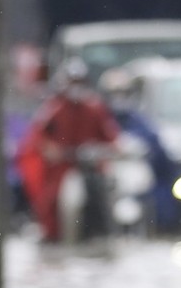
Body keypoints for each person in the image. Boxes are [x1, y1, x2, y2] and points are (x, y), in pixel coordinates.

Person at [15, 59, 122, 242]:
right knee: (51, 199)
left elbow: (111, 137)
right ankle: (51, 233)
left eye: (79, 83)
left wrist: (104, 150)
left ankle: (102, 231)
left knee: (104, 193)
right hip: (62, 167)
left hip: (91, 167)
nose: (76, 88)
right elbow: (39, 139)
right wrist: (52, 150)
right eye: (73, 83)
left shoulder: (94, 109)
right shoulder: (53, 110)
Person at [100, 67, 181, 232]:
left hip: (136, 174)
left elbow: (159, 150)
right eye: (114, 93)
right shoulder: (99, 118)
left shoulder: (138, 120)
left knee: (161, 193)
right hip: (106, 175)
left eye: (123, 93)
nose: (119, 98)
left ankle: (162, 228)